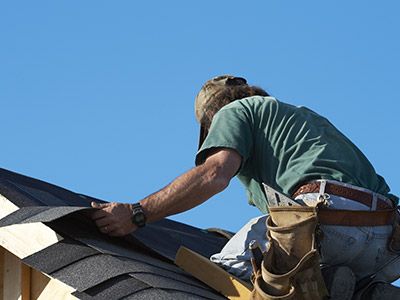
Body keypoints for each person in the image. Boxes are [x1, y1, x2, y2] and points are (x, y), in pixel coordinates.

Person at [91, 75, 399, 299]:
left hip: (326, 220)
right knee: (320, 284)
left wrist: (136, 214)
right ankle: (357, 290)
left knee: (228, 269)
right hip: (384, 244)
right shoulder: (306, 122)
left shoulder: (234, 112)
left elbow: (214, 174)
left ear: (212, 121)